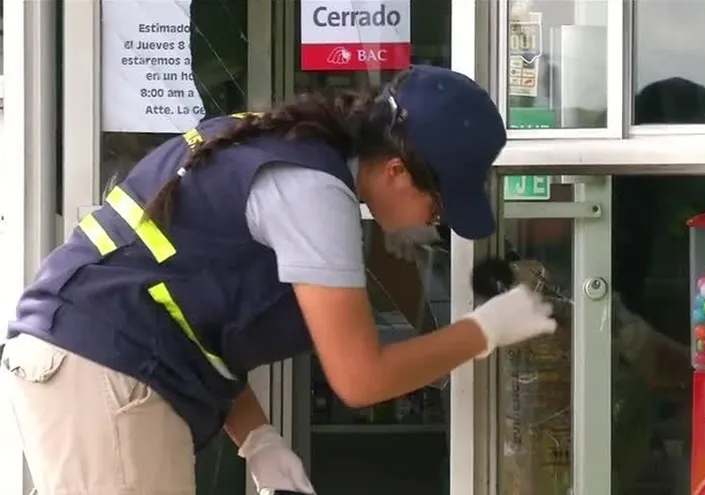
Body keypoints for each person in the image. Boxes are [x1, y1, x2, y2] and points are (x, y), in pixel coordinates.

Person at [0, 65, 557, 495]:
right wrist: (483, 331)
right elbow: (361, 379)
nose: (433, 222)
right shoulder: (314, 192)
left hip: (89, 364)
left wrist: (258, 438)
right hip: (99, 373)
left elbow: (190, 317)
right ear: (395, 170)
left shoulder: (288, 149)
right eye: (437, 207)